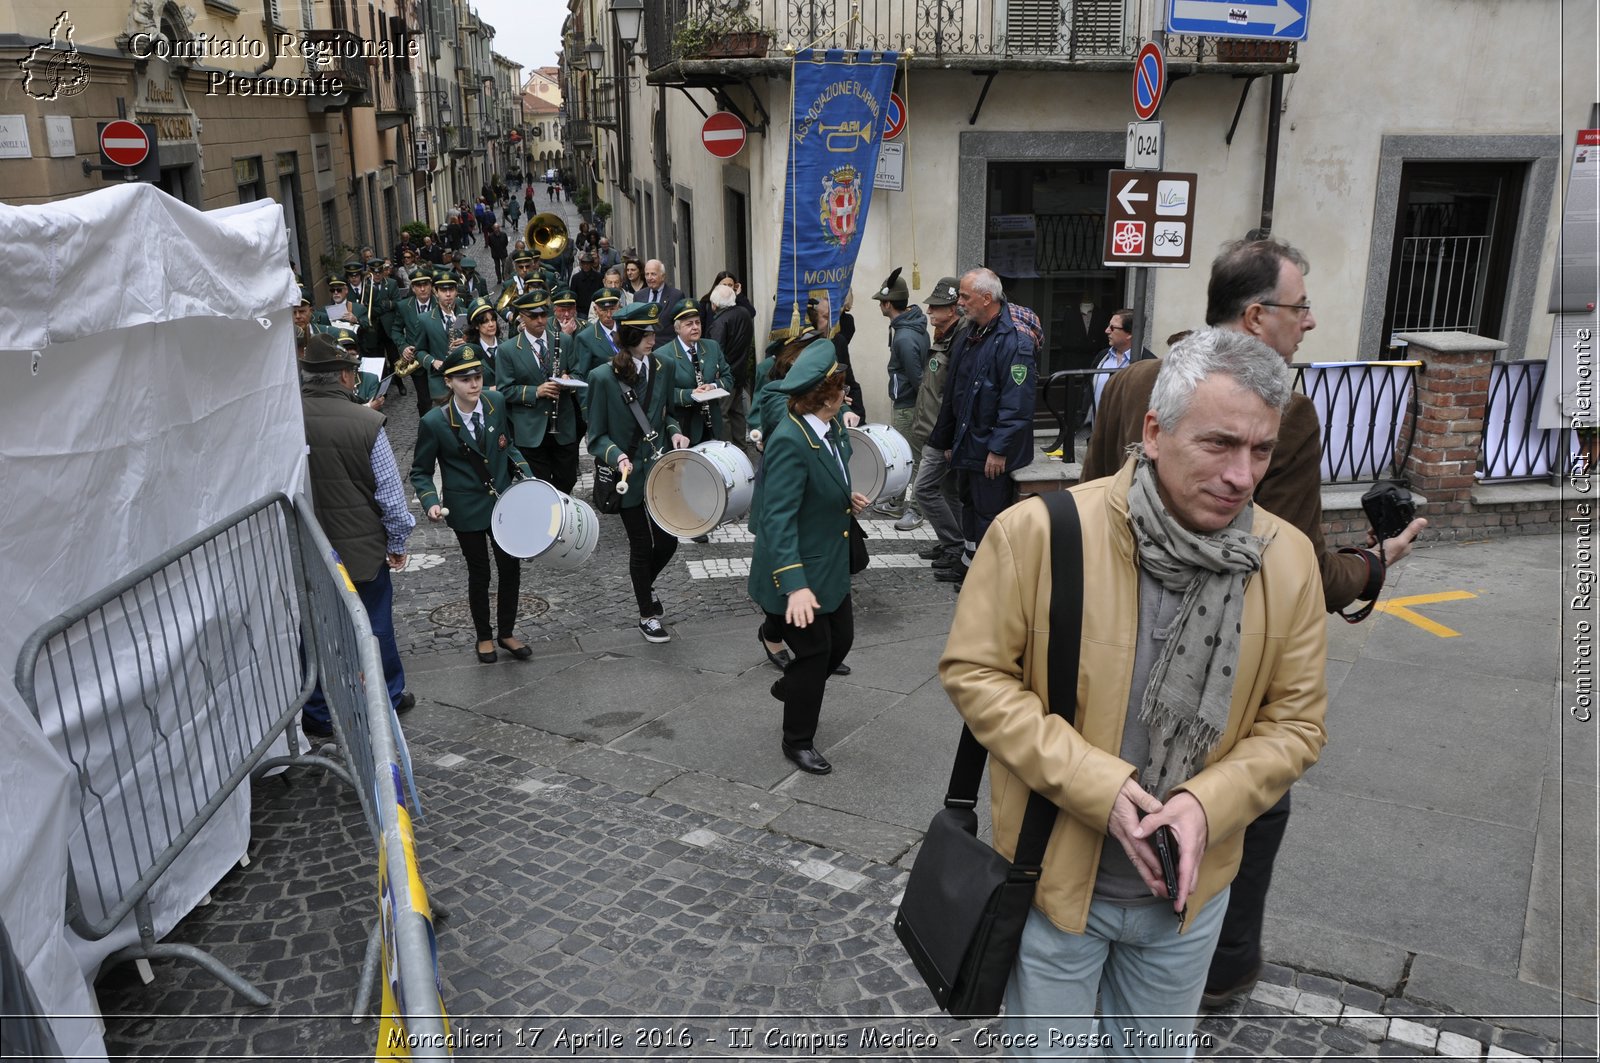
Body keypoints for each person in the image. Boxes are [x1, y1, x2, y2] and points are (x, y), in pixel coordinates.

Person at [942, 327, 1328, 1056]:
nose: (1243, 475)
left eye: (1261, 450)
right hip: (1053, 884)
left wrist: (1203, 803)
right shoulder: (1039, 533)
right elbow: (975, 671)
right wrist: (1098, 783)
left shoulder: (1287, 560)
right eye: (1219, 444)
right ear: (1154, 431)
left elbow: (1298, 722)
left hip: (1185, 905)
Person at [1080, 240, 1425, 1010]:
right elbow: (1296, 565)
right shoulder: (1286, 412)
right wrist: (1376, 561)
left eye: (1255, 452)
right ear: (1256, 315)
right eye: (1299, 308)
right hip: (1221, 672)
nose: (1309, 322)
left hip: (1106, 651)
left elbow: (1091, 512)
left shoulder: (1135, 377)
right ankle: (1220, 967)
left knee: (1109, 795)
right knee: (1247, 801)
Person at [748, 340, 870, 776]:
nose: (847, 394)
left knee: (842, 642)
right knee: (817, 652)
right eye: (842, 388)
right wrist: (795, 585)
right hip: (797, 570)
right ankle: (797, 739)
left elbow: (823, 480)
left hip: (827, 561)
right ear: (829, 396)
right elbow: (776, 519)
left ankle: (792, 685)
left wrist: (844, 498)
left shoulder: (824, 430)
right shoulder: (790, 440)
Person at [297, 335, 416, 739]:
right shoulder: (366, 423)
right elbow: (391, 498)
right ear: (346, 376)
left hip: (308, 550)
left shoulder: (287, 420)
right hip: (362, 549)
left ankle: (317, 711)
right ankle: (388, 697)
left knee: (313, 629)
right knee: (375, 626)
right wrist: (397, 543)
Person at [410, 345, 536, 665]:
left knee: (510, 568)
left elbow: (508, 446)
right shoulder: (435, 422)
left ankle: (506, 632)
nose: (474, 384)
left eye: (478, 376)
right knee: (479, 573)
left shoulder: (496, 403)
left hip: (502, 502)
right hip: (465, 509)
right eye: (465, 379)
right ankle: (483, 636)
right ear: (449, 383)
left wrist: (529, 479)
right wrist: (429, 503)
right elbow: (421, 472)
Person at [585, 302, 691, 643]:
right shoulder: (602, 377)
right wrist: (617, 457)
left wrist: (675, 430)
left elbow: (667, 413)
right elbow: (596, 436)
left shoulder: (666, 365)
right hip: (627, 475)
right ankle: (647, 614)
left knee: (669, 541)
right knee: (641, 545)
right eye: (645, 334)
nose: (652, 339)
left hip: (660, 470)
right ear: (629, 336)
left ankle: (646, 585)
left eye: (653, 332)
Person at [926, 267, 1038, 587]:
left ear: (987, 299)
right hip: (969, 442)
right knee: (971, 508)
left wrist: (999, 449)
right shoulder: (971, 333)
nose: (959, 302)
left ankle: (987, 578)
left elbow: (1017, 403)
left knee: (989, 514)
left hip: (990, 449)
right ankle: (969, 563)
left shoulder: (1014, 341)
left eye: (965, 296)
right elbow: (955, 392)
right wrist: (948, 440)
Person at [908, 276, 968, 566]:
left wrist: (949, 438)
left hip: (942, 433)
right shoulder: (946, 335)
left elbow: (957, 396)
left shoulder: (961, 339)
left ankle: (954, 544)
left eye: (936, 306)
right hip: (936, 429)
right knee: (948, 490)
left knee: (923, 490)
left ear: (953, 309)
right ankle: (955, 544)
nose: (929, 311)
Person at [497, 290, 581, 494]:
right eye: (534, 316)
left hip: (562, 424)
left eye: (544, 314)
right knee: (540, 485)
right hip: (530, 428)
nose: (541, 320)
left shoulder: (565, 341)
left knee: (568, 478)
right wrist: (537, 391)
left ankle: (562, 509)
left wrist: (568, 380)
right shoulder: (508, 350)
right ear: (522, 317)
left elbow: (578, 371)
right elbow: (504, 390)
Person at [870, 267, 928, 522]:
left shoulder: (904, 337)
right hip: (910, 401)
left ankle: (915, 507)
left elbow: (918, 379)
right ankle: (898, 500)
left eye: (880, 302)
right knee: (909, 455)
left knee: (910, 457)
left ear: (888, 303)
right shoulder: (911, 328)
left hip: (908, 404)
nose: (879, 307)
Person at [662, 297, 733, 447]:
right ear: (677, 328)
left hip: (713, 425)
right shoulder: (664, 354)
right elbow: (662, 394)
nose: (695, 327)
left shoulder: (712, 346)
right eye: (689, 324)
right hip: (684, 426)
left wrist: (713, 386)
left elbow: (728, 378)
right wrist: (691, 394)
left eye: (698, 322)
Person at [1083, 307, 1156, 431]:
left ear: (1130, 333)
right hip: (1096, 435)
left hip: (1128, 440)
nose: (1106, 331)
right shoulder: (1102, 357)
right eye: (1108, 326)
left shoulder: (1149, 364)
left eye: (1112, 328)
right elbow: (1088, 390)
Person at [706, 279, 757, 454]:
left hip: (725, 375)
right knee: (737, 412)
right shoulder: (744, 313)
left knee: (722, 413)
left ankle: (727, 450)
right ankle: (741, 447)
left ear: (715, 304)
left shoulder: (720, 321)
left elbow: (715, 350)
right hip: (741, 371)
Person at [571, 252, 604, 317]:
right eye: (584, 263)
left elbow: (601, 292)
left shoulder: (599, 277)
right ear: (581, 264)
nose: (586, 266)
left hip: (595, 308)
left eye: (588, 264)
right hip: (581, 310)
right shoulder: (576, 278)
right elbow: (573, 294)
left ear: (591, 264)